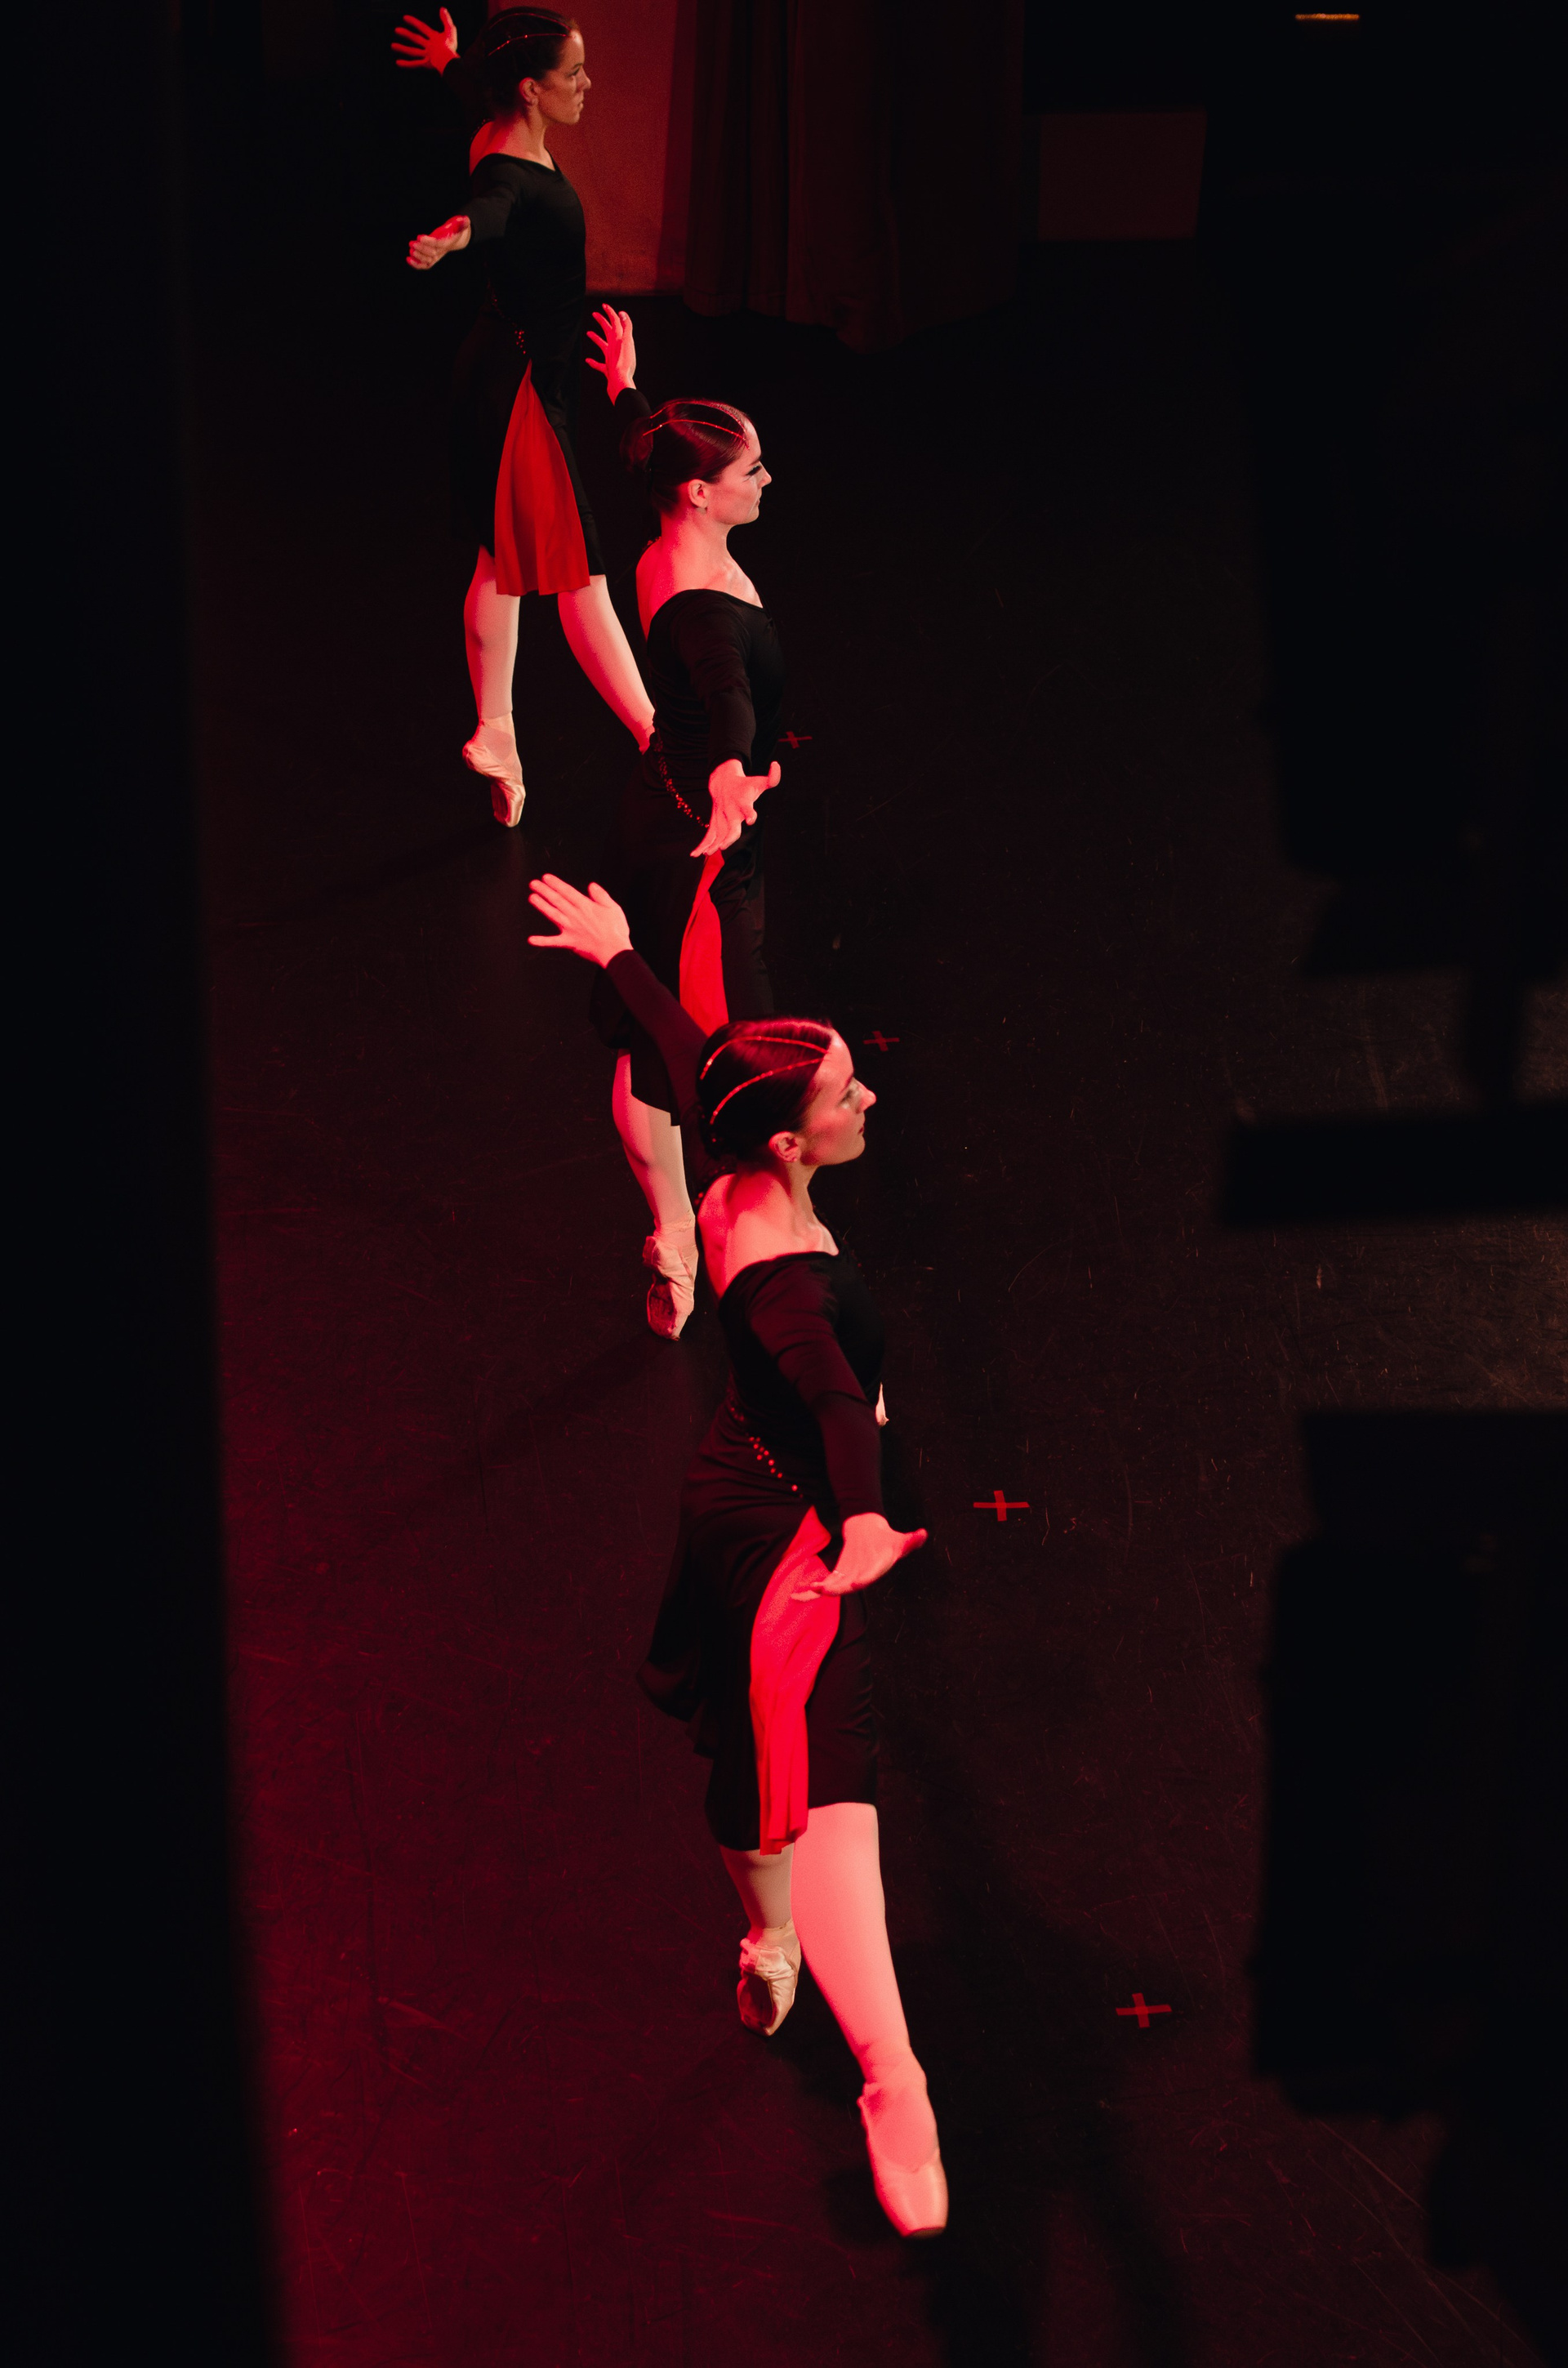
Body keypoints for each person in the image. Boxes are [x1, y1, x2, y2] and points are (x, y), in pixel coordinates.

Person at [526, 870, 947, 2241]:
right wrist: (865, 1516)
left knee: (764, 1772)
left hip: (740, 1482)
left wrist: (623, 950)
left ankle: (772, 1937)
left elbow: (687, 1046)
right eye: (843, 1093)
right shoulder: (786, 1282)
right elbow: (831, 1396)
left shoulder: (730, 1159)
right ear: (790, 1140)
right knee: (813, 1787)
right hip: (787, 1539)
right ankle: (890, 2070)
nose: (866, 1095)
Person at [577, 307, 786, 1338]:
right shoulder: (703, 607)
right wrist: (734, 774)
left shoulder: (670, 520)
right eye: (752, 470)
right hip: (698, 842)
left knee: (650, 1037)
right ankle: (699, 1236)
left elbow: (647, 446)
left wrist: (629, 386)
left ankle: (676, 1230)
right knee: (703, 1057)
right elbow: (729, 697)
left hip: (660, 810)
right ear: (702, 493)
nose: (767, 481)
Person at [405, 11, 653, 825]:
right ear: (532, 89)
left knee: (500, 563)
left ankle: (499, 736)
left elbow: (477, 94)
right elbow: (494, 207)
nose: (586, 85)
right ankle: (660, 743)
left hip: (498, 373)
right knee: (580, 575)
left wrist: (448, 61)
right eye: (572, 74)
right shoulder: (509, 169)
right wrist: (459, 234)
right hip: (520, 394)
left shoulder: (497, 121)